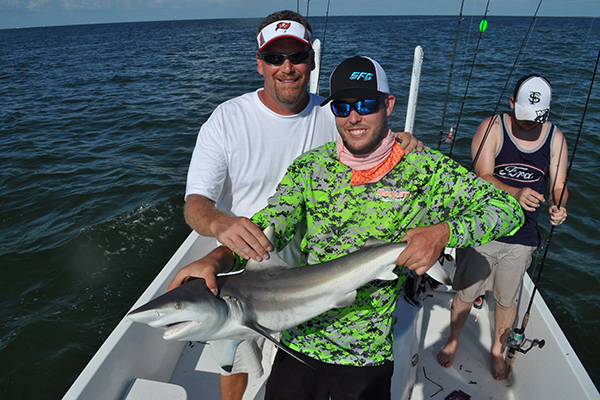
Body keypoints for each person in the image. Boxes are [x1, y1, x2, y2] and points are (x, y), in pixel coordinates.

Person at [171, 56, 524, 400]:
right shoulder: (311, 167)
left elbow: (509, 209)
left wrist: (442, 233)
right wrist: (217, 259)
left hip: (365, 353)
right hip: (298, 341)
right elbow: (269, 223)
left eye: (366, 104)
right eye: (342, 107)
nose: (353, 117)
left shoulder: (425, 169)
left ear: (388, 104)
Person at [182, 10, 420, 400]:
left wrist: (403, 143)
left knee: (306, 370)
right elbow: (195, 205)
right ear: (260, 62)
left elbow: (371, 142)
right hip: (250, 265)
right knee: (237, 361)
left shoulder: (336, 113)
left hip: (321, 267)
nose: (287, 67)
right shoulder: (226, 119)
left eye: (297, 56)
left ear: (312, 61)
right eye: (276, 57)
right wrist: (221, 225)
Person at [437, 74, 569, 380]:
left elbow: (559, 184)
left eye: (534, 119)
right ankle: (453, 339)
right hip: (484, 227)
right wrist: (516, 192)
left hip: (523, 236)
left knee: (508, 300)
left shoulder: (556, 138)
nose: (526, 123)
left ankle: (497, 351)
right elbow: (482, 175)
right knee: (466, 292)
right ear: (512, 104)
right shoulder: (492, 127)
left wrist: (558, 204)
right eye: (521, 115)